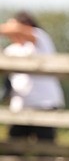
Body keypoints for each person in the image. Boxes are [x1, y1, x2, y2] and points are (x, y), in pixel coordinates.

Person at [0, 11, 65, 142]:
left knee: (46, 147)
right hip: (19, 106)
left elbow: (17, 29)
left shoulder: (40, 38)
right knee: (14, 147)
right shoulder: (11, 50)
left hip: (44, 104)